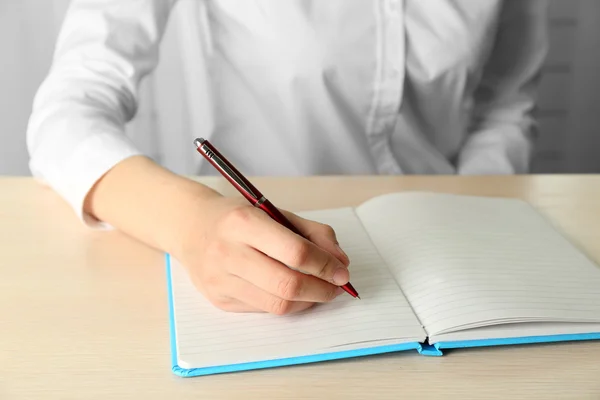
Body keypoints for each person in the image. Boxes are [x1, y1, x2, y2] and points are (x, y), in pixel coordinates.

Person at [26, 0, 548, 315]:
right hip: (264, 231)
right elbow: (64, 117)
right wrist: (190, 221)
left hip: (445, 235)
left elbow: (506, 101)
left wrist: (478, 211)